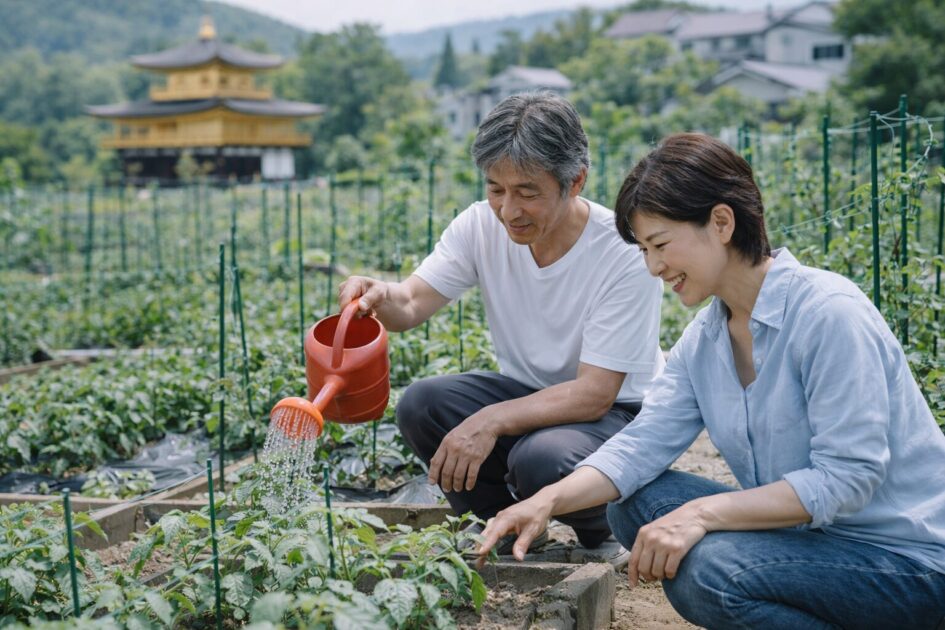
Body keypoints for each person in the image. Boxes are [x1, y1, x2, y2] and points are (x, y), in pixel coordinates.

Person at [476, 132, 945, 628]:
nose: (654, 267)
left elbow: (848, 479)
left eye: (659, 244)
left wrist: (699, 516)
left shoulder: (829, 314)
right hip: (814, 537)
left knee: (709, 574)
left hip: (907, 560)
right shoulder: (706, 339)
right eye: (643, 250)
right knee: (632, 504)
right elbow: (641, 445)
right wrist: (542, 502)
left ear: (721, 222)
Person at [338, 92, 664, 559]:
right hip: (530, 397)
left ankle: (607, 528)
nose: (509, 210)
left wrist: (489, 420)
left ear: (575, 182)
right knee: (422, 405)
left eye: (527, 192)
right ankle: (501, 526)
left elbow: (595, 393)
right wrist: (379, 294)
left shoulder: (621, 253)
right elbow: (410, 304)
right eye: (496, 189)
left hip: (616, 415)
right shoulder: (479, 227)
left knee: (543, 459)